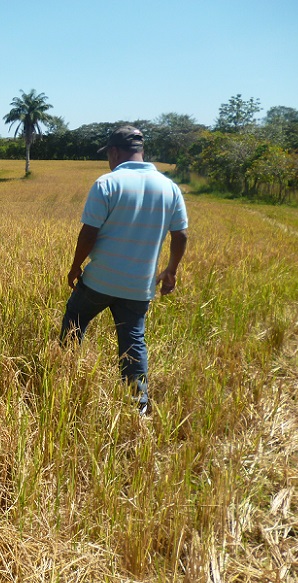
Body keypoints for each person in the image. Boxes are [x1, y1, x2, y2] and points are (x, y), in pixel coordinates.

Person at [59, 125, 188, 415]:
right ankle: (139, 407)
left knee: (74, 320)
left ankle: (63, 379)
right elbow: (180, 235)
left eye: (108, 154)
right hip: (139, 287)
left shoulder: (107, 183)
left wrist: (76, 266)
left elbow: (88, 234)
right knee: (132, 341)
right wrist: (171, 270)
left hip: (99, 281)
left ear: (115, 152)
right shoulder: (170, 187)